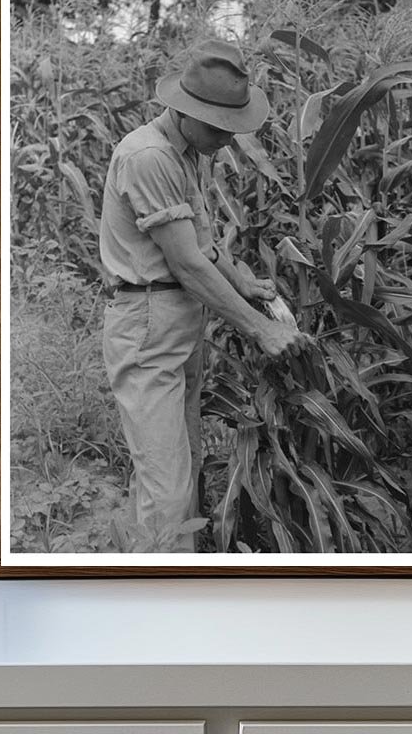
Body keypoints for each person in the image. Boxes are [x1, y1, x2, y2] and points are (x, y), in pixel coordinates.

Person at [99, 37, 306, 552]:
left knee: (172, 465)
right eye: (218, 128)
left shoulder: (188, 151)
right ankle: (165, 601)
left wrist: (243, 282)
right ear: (182, 111)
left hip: (178, 322)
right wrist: (263, 331)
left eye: (231, 129)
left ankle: (145, 570)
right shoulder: (148, 157)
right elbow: (187, 263)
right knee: (167, 488)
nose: (226, 140)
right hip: (148, 325)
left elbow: (204, 245)